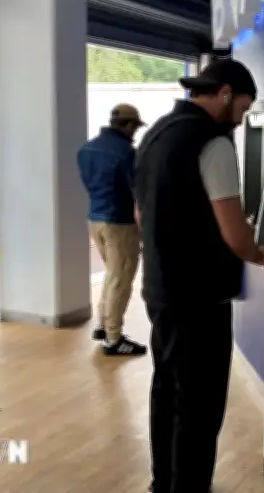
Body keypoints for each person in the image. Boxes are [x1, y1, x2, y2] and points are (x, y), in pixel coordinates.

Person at [134, 59, 264, 493]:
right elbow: (235, 234)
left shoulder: (156, 134)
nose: (241, 118)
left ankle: (164, 482)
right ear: (224, 93)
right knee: (200, 403)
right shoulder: (213, 143)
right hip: (199, 297)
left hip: (161, 287)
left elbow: (140, 213)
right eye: (243, 107)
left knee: (167, 389)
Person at [77, 103, 148, 356]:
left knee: (113, 274)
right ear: (127, 125)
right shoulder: (127, 153)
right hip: (120, 223)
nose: (135, 132)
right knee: (121, 279)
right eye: (134, 127)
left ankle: (103, 325)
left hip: (95, 218)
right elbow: (138, 193)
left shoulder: (86, 149)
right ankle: (114, 338)